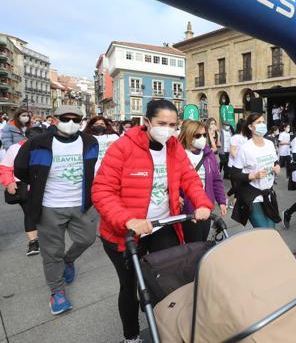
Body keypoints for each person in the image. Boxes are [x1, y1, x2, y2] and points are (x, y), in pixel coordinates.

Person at [93, 100, 213, 343]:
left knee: (167, 279)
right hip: (124, 232)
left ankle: (169, 326)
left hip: (160, 226)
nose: (167, 130)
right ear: (146, 122)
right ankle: (132, 336)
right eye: (161, 124)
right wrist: (128, 220)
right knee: (130, 287)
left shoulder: (173, 148)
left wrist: (201, 203)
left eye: (172, 125)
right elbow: (101, 191)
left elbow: (189, 178)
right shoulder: (123, 147)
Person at [14, 106, 100, 315]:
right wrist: (39, 183)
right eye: (65, 118)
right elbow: (20, 169)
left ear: (81, 121)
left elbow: (92, 168)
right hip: (50, 206)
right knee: (52, 253)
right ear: (55, 119)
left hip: (82, 205)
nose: (70, 122)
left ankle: (68, 260)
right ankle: (57, 293)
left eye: (76, 119)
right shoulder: (37, 143)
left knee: (87, 239)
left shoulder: (90, 142)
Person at [179, 120, 227, 242]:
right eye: (198, 135)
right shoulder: (179, 154)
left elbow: (216, 180)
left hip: (206, 206)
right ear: (188, 135)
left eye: (204, 135)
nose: (203, 138)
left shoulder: (208, 154)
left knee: (202, 241)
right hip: (186, 209)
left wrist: (221, 201)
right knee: (192, 243)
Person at [0, 126, 45, 255]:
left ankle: (48, 237)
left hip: (44, 186)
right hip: (23, 186)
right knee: (30, 212)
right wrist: (9, 182)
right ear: (26, 137)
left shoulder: (48, 147)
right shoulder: (15, 149)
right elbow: (5, 167)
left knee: (44, 213)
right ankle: (33, 243)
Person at [230, 113, 281, 228]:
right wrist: (254, 176)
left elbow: (275, 161)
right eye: (258, 123)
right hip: (252, 194)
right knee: (264, 230)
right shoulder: (245, 148)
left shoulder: (270, 144)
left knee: (272, 230)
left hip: (268, 193)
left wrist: (277, 166)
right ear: (250, 127)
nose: (262, 125)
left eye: (263, 122)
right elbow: (233, 174)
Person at [227, 119, 248, 205]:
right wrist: (241, 159)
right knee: (236, 187)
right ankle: (228, 198)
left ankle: (233, 201)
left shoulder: (246, 138)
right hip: (233, 166)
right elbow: (232, 151)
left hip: (242, 166)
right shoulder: (235, 137)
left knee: (239, 186)